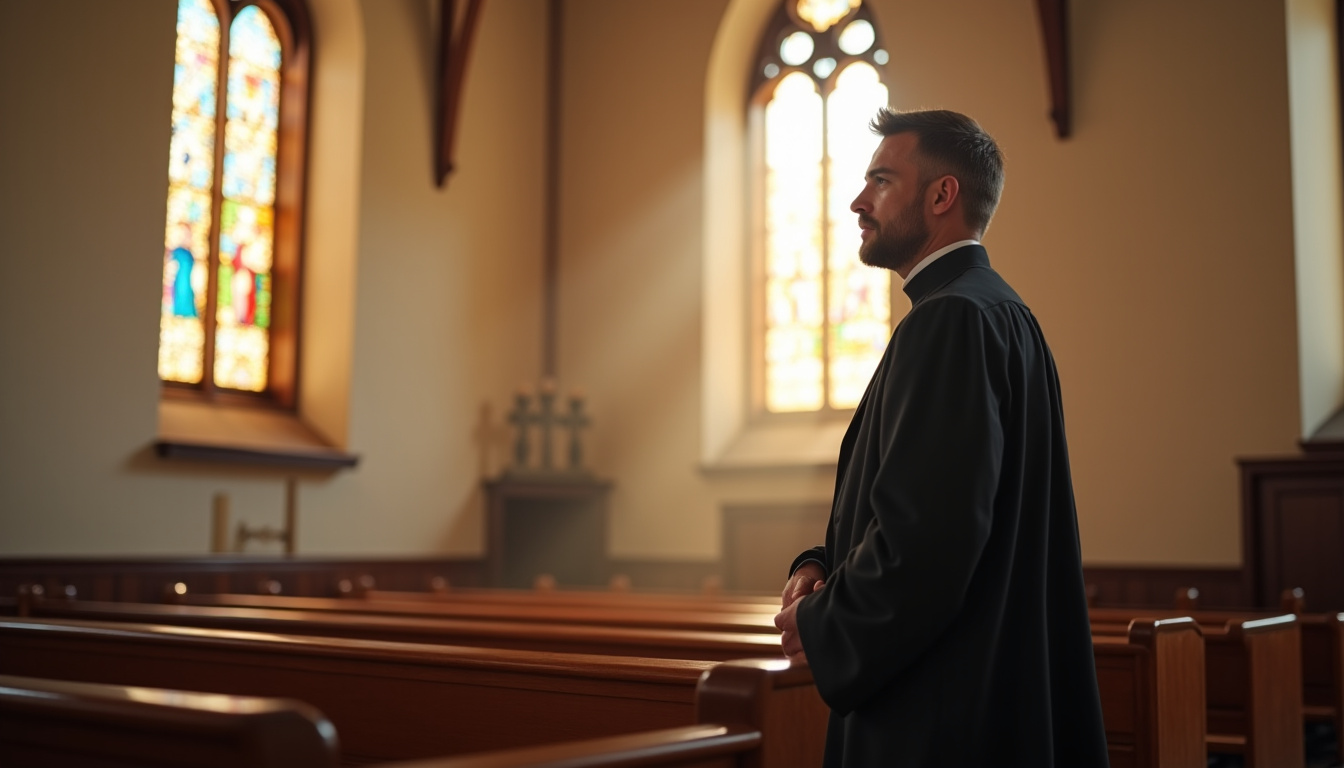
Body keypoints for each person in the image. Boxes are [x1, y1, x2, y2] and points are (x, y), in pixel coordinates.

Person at [773, 109, 1109, 767]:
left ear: (941, 195)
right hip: (986, 691)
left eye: (880, 181)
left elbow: (927, 541)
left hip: (939, 714)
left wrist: (822, 625)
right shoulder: (999, 310)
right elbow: (946, 502)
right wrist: (823, 564)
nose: (858, 201)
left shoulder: (950, 319)